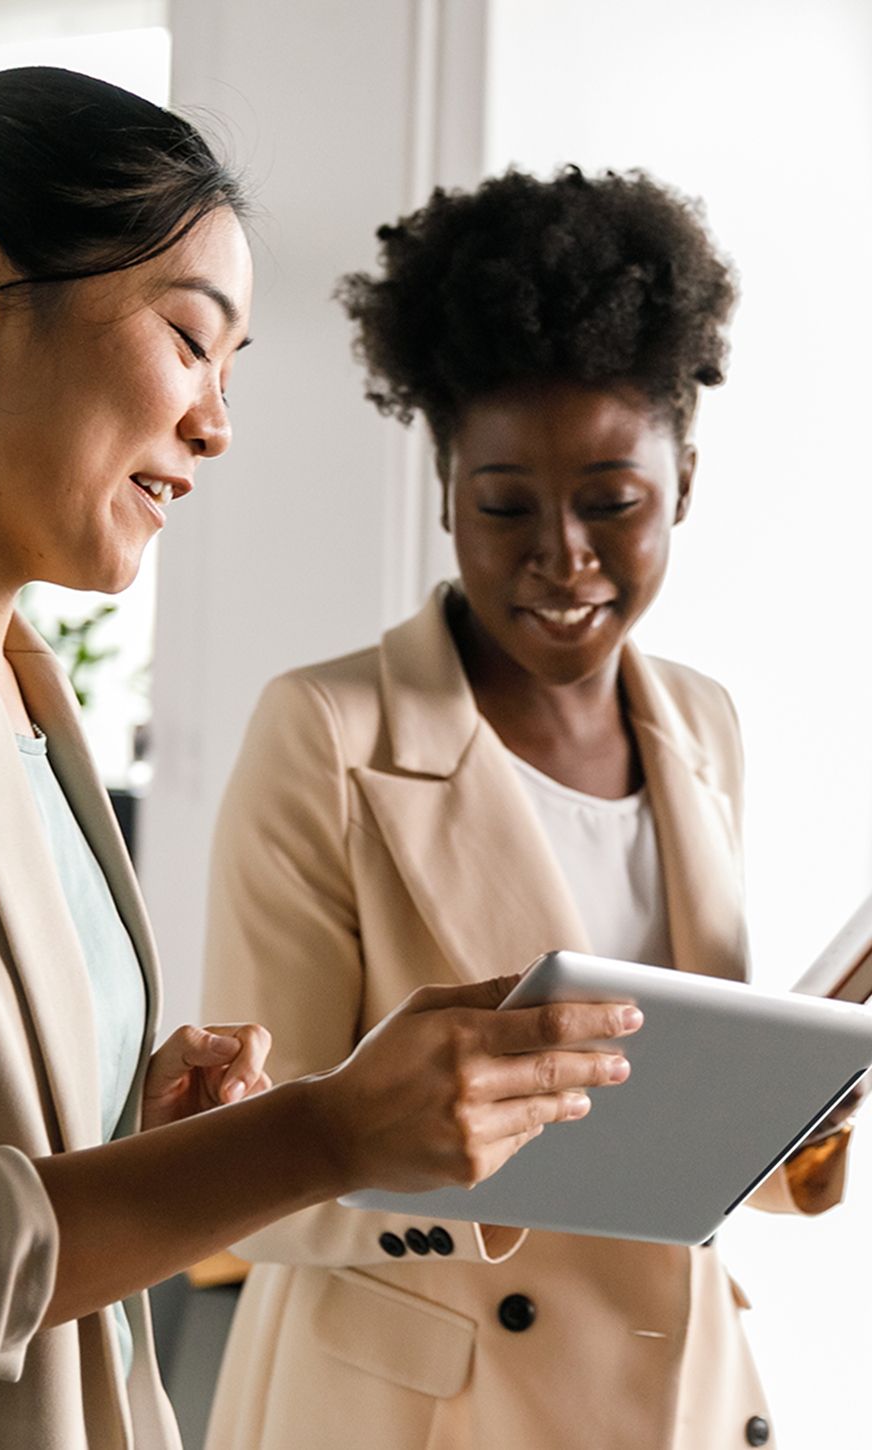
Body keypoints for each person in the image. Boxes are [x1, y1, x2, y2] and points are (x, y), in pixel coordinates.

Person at [0, 74, 641, 1450]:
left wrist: (147, 1120)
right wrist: (313, 1136)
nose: (218, 424)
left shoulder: (15, 685)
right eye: (192, 340)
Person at [202, 167, 855, 1450]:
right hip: (428, 1414)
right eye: (506, 506)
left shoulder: (703, 726)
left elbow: (678, 1134)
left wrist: (802, 1119)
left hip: (682, 1394)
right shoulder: (325, 735)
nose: (562, 555)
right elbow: (243, 1180)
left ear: (686, 484)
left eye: (613, 502)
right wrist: (470, 1168)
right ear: (447, 490)